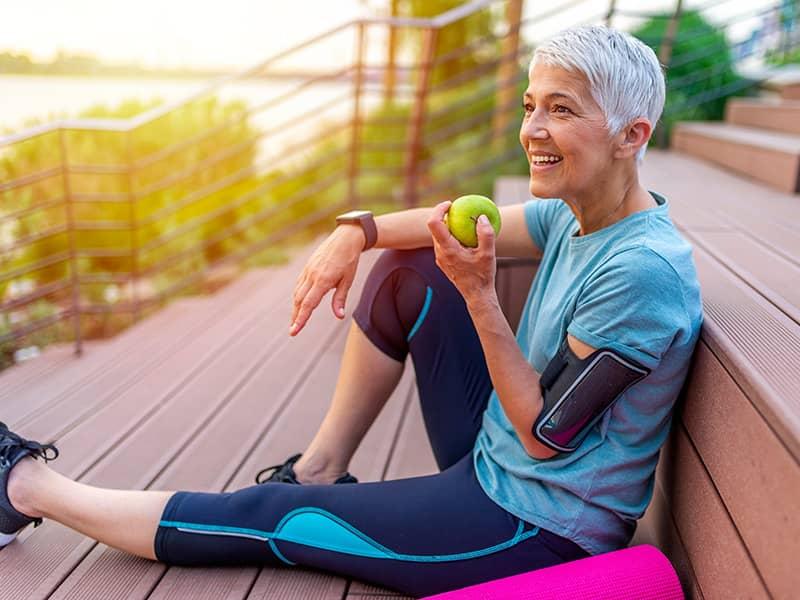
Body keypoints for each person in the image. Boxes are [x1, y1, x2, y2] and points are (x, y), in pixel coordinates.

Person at [0, 25, 702, 597]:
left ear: (631, 135)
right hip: (497, 460)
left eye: (562, 109)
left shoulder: (640, 273)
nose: (534, 129)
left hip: (531, 528)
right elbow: (435, 225)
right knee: (409, 270)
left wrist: (482, 296)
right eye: (530, 105)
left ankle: (26, 488)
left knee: (275, 519)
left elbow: (548, 436)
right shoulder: (577, 215)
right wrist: (355, 232)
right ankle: (321, 465)